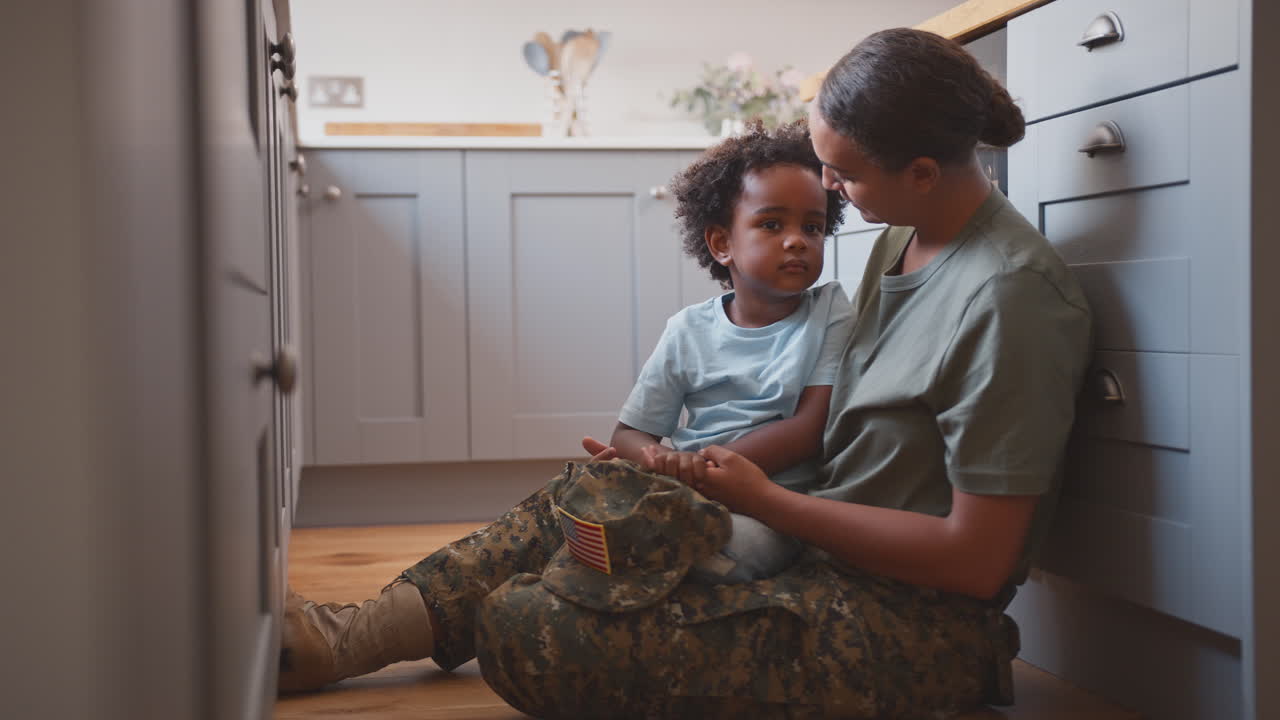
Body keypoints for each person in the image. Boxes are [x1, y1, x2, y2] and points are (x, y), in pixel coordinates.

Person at [279, 27, 1093, 719]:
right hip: (809, 546)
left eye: (842, 176)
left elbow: (975, 561)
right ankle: (342, 640)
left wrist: (767, 500)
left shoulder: (1011, 298)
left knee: (526, 627)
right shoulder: (897, 243)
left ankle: (488, 612)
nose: (833, 194)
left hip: (907, 621)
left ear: (919, 171)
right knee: (581, 494)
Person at [582, 120, 853, 585]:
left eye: (813, 226)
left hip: (768, 509)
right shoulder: (688, 329)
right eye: (772, 224)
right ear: (721, 243)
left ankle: (612, 568)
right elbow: (629, 434)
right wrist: (655, 461)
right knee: (577, 489)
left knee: (723, 550)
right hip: (684, 487)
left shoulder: (831, 312)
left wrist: (697, 473)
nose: (797, 240)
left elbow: (809, 429)